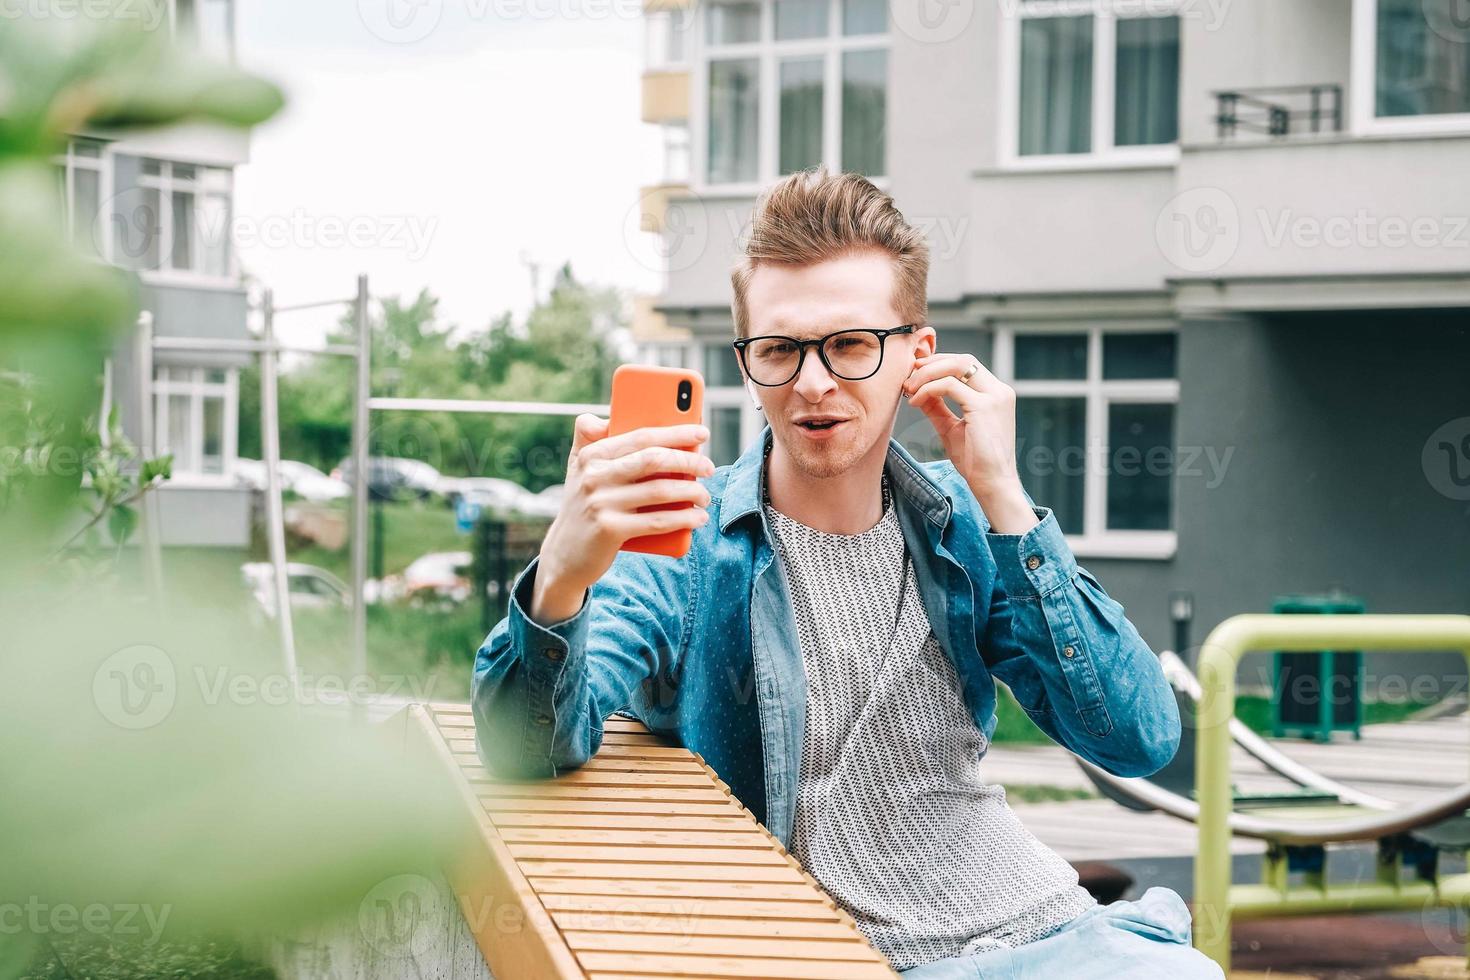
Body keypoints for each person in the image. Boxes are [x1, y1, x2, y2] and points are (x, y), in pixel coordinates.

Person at [471, 167, 1224, 978]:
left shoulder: (966, 528)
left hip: (1045, 934)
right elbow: (525, 750)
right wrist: (561, 576)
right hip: (847, 956)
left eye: (851, 345)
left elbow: (1139, 738)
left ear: (917, 356)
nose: (814, 382)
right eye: (780, 350)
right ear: (748, 359)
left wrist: (1003, 493)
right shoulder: (684, 547)